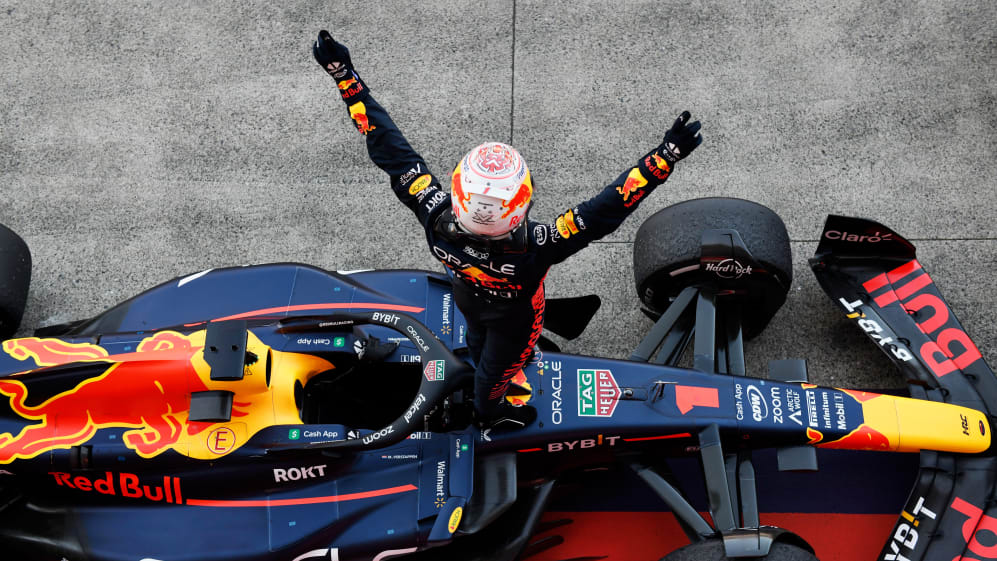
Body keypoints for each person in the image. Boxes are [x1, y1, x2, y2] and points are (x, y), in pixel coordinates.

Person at [313, 30, 702, 430]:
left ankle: (490, 411)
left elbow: (387, 146)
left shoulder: (433, 213)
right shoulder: (541, 244)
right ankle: (491, 411)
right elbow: (607, 208)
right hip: (511, 318)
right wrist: (663, 158)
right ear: (520, 207)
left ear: (460, 191)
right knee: (485, 368)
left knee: (488, 384)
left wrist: (344, 75)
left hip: (481, 307)